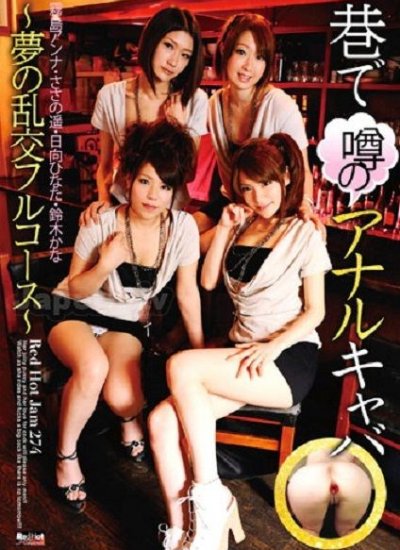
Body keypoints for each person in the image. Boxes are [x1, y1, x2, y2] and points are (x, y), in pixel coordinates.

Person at [149, 133, 331, 549]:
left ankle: (210, 496)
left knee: (180, 366)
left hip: (287, 358)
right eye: (247, 188)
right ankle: (185, 532)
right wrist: (226, 228)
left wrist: (272, 346)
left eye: (266, 184)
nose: (258, 197)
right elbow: (208, 280)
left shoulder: (304, 232)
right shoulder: (242, 223)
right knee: (161, 422)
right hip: (241, 355)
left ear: (286, 178)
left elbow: (315, 311)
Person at [46, 120, 204, 513]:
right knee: (93, 366)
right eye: (145, 182)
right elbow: (76, 287)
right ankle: (66, 456)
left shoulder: (182, 229)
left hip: (125, 321)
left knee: (123, 398)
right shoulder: (100, 221)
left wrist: (199, 351)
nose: (153, 195)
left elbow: (187, 293)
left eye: (164, 187)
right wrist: (105, 264)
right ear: (128, 178)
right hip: (73, 310)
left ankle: (126, 418)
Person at [193, 13, 318, 252]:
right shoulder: (213, 105)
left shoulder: (280, 105)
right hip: (234, 202)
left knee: (200, 248)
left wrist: (305, 204)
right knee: (185, 233)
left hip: (271, 208)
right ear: (225, 51)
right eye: (241, 52)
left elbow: (303, 169)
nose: (249, 66)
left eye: (260, 57)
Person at [82, 6, 208, 224]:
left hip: (168, 215)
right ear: (152, 41)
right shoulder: (110, 97)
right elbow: (104, 168)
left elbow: (187, 175)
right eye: (169, 46)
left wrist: (178, 128)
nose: (174, 62)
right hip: (121, 208)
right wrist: (104, 204)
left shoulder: (194, 100)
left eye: (185, 55)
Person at [286, 448, 373, 537]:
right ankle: (347, 530)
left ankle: (311, 530)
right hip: (348, 474)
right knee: (348, 532)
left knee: (309, 531)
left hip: (312, 475)